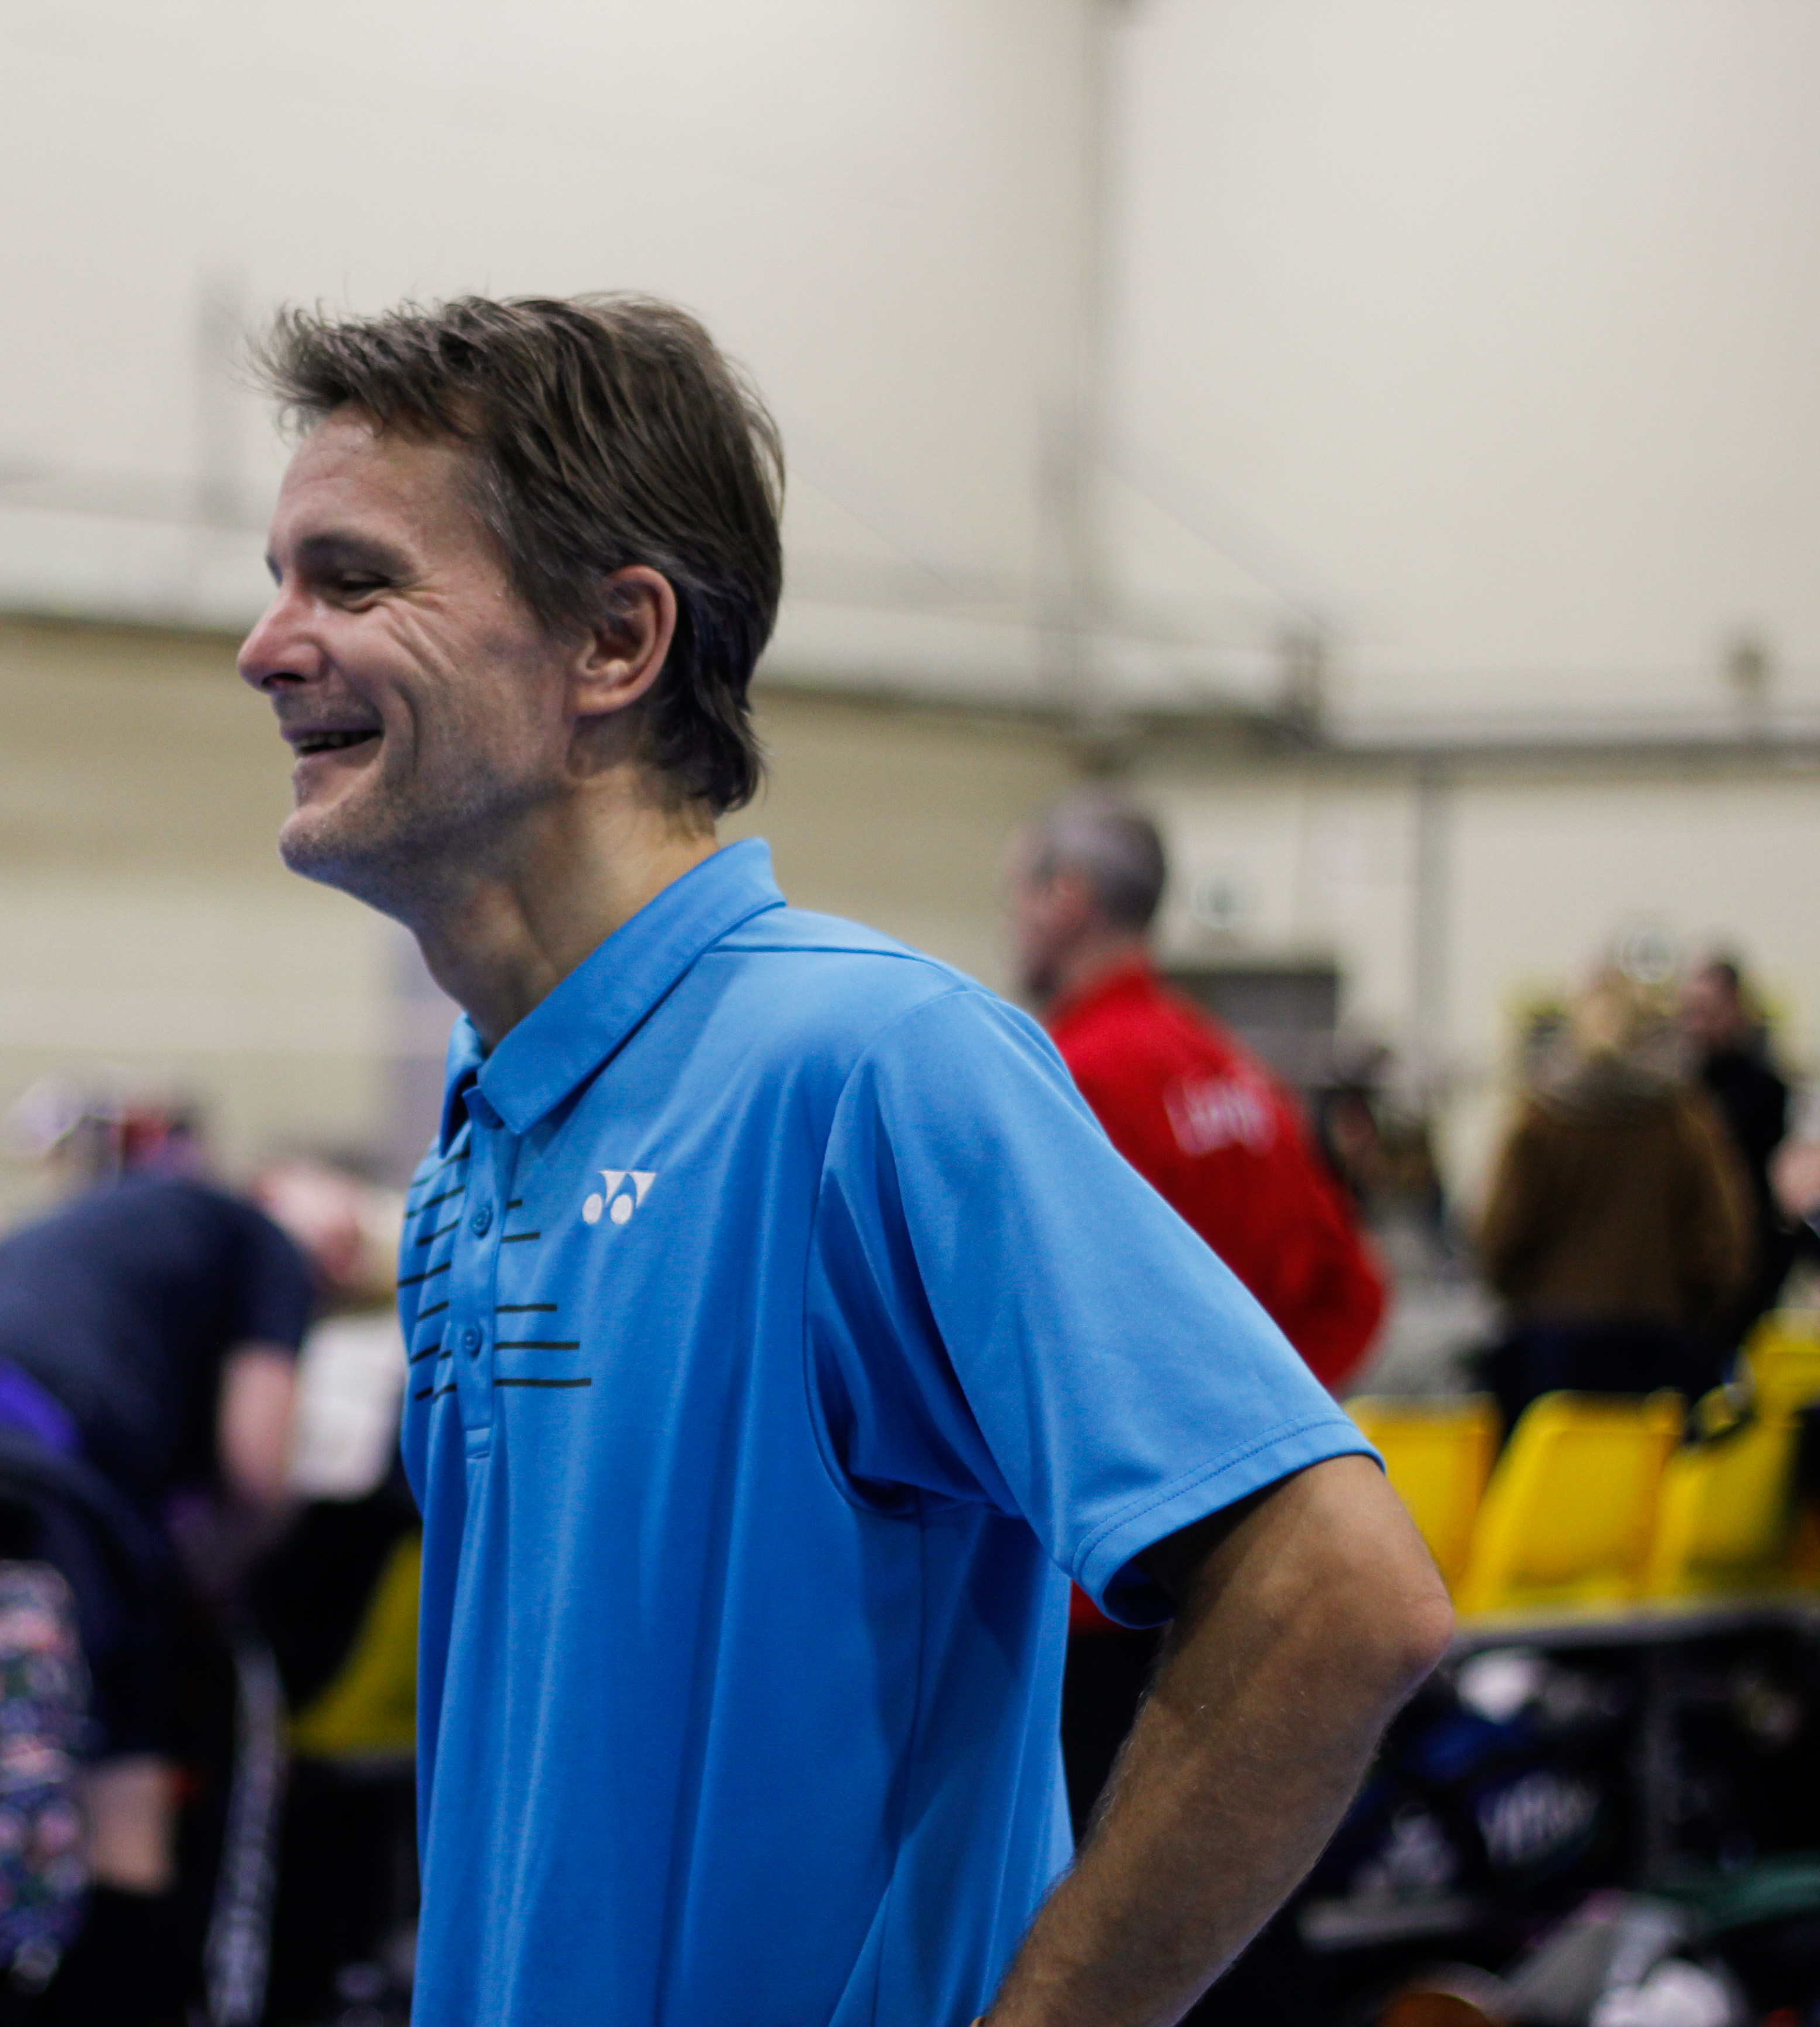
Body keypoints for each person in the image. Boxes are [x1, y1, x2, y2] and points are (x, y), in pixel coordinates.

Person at [233, 295, 1452, 2027]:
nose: (266, 645)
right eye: (278, 579)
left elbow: (1338, 1595)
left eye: (353, 582)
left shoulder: (873, 1063)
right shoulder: (491, 1087)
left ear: (614, 641)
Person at [1004, 789, 1390, 1846]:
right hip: (1230, 1568)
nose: (1012, 921)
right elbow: (1352, 1294)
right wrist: (1249, 1456)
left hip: (1092, 1591)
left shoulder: (1067, 1076)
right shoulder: (1229, 1072)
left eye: (1019, 894)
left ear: (1065, 897)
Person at [0, 1165, 316, 2026]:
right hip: (46, 1462)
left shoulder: (75, 1226)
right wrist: (211, 1576)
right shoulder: (268, 1245)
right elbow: (257, 1473)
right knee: (123, 1793)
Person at [1476, 969, 1754, 1424]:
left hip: (1553, 1341)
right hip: (1660, 1340)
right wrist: (1696, 1306)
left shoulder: (1541, 1120)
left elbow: (1499, 1233)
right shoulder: (1681, 1120)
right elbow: (1721, 1236)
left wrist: (1526, 1294)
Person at [1680, 953, 1798, 1349]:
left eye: (1709, 1011)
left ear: (1735, 1009)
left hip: (1749, 1257)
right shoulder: (1677, 1093)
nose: (1698, 1024)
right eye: (1691, 1012)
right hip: (1689, 1263)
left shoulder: (1768, 1091)